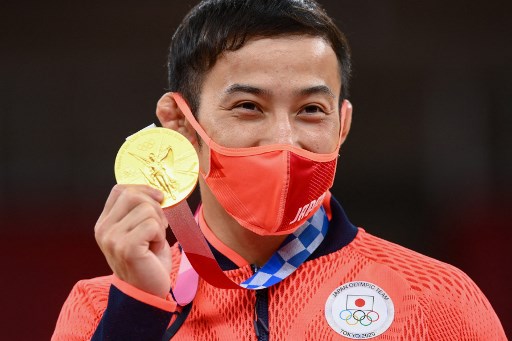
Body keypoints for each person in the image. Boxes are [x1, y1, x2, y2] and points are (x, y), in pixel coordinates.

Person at [52, 0, 506, 340]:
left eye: (311, 109)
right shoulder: (98, 308)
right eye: (249, 107)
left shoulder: (440, 299)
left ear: (342, 125)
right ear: (179, 124)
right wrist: (137, 312)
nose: (285, 141)